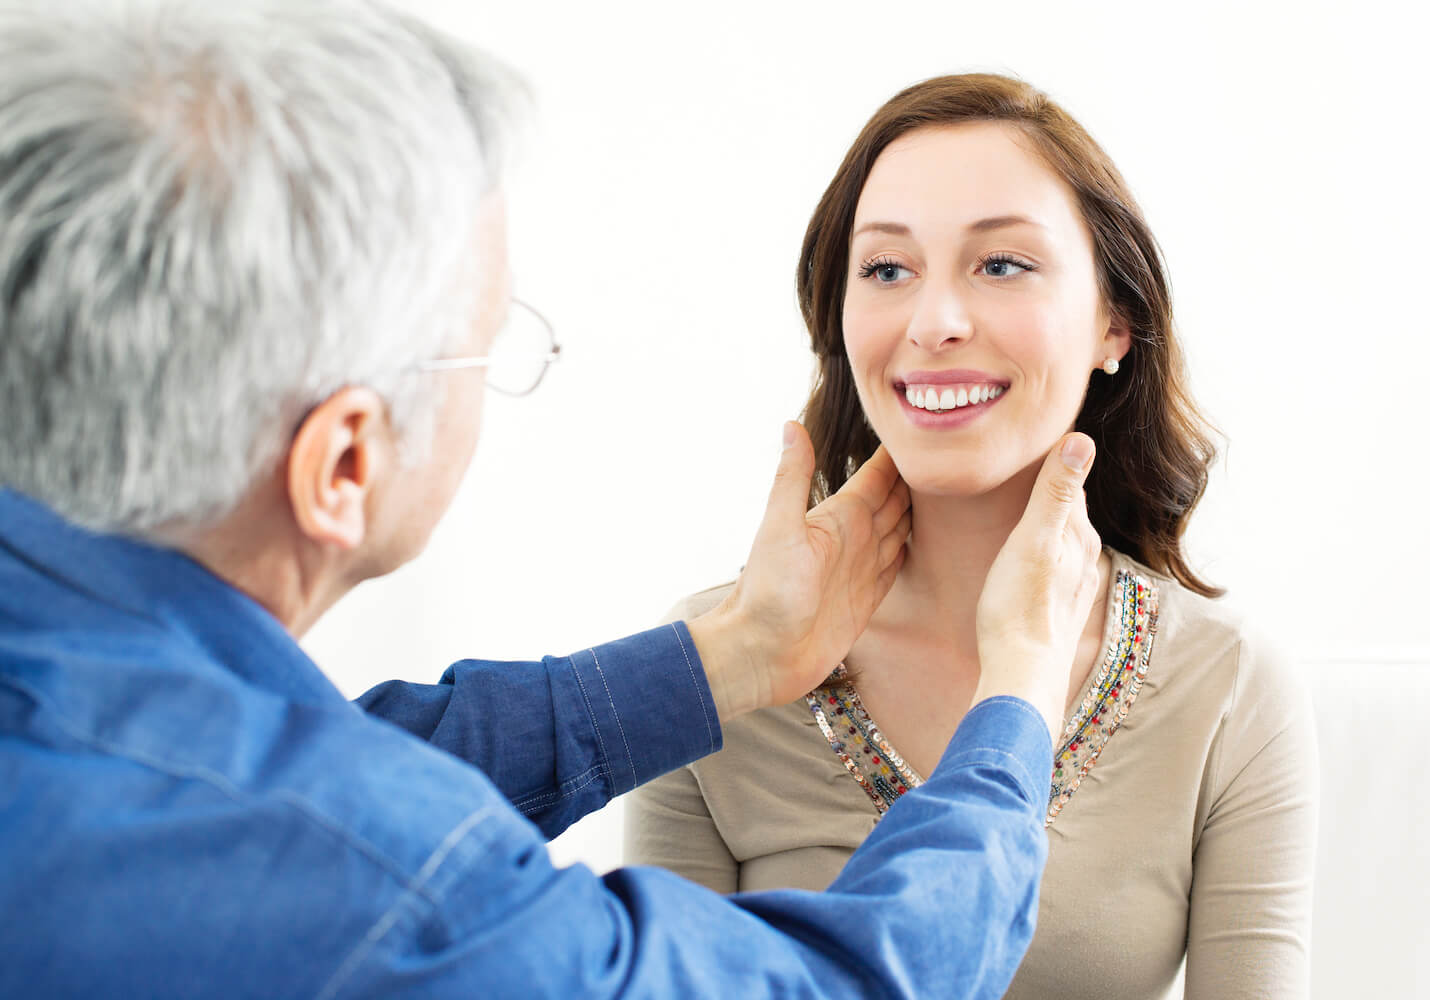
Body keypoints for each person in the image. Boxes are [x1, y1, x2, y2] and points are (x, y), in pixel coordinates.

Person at [0, 7, 1107, 999]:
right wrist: (1015, 700)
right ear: (343, 462)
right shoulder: (380, 893)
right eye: (481, 347)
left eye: (1002, 265)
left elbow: (286, 761)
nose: (937, 321)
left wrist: (727, 655)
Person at [626, 73, 1319, 1000]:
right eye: (885, 270)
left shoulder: (1231, 686)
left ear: (1115, 321)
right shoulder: (710, 671)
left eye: (1001, 264)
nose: (935, 323)